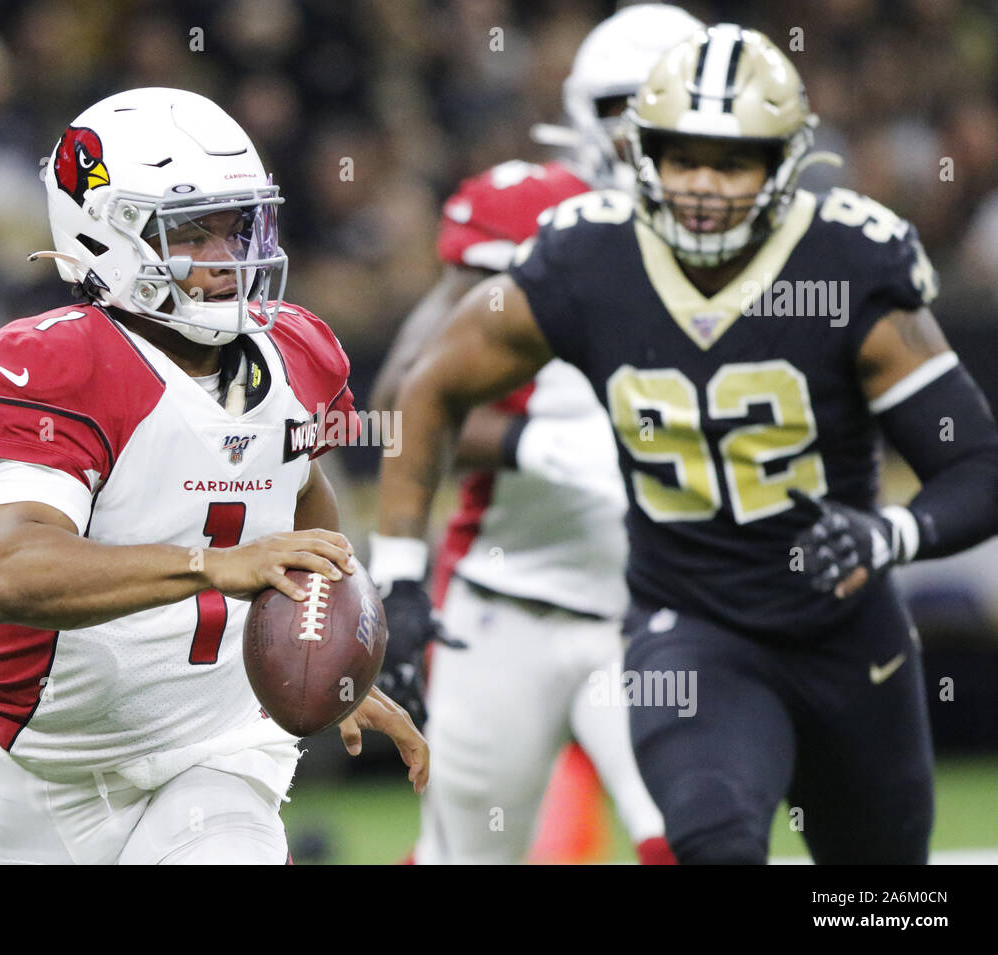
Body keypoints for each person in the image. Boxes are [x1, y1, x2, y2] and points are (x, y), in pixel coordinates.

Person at [374, 24, 998, 864]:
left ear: (784, 164)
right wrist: (401, 576)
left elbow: (976, 461)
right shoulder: (588, 254)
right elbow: (426, 387)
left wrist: (889, 532)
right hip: (691, 623)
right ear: (643, 154)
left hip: (847, 632)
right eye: (679, 155)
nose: (702, 184)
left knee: (880, 897)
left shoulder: (845, 262)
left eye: (732, 160)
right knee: (709, 843)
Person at [0, 87, 426, 865]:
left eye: (240, 228)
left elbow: (298, 494)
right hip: (46, 769)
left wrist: (325, 650)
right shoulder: (62, 362)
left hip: (220, 747)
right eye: (195, 233)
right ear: (106, 236)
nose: (232, 259)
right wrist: (211, 566)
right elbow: (9, 565)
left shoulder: (297, 352)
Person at [370, 4, 702, 865]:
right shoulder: (536, 216)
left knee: (701, 838)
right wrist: (535, 444)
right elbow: (401, 395)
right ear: (589, 113)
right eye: (633, 102)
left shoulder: (762, 243)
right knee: (467, 854)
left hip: (659, 613)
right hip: (506, 605)